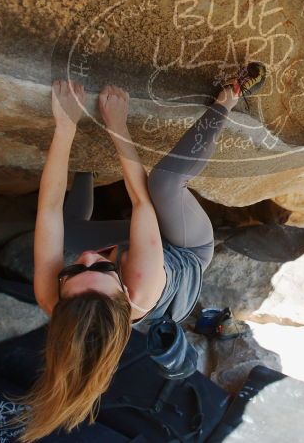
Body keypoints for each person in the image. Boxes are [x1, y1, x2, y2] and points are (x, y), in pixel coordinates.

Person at [16, 63, 266, 442]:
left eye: (71, 272)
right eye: (96, 267)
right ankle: (227, 101)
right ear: (124, 294)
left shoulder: (53, 299)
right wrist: (117, 122)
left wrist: (66, 126)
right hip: (184, 249)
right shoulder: (143, 284)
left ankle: (85, 171)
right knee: (164, 184)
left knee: (63, 229)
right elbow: (140, 201)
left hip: (131, 251)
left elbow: (47, 210)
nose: (84, 258)